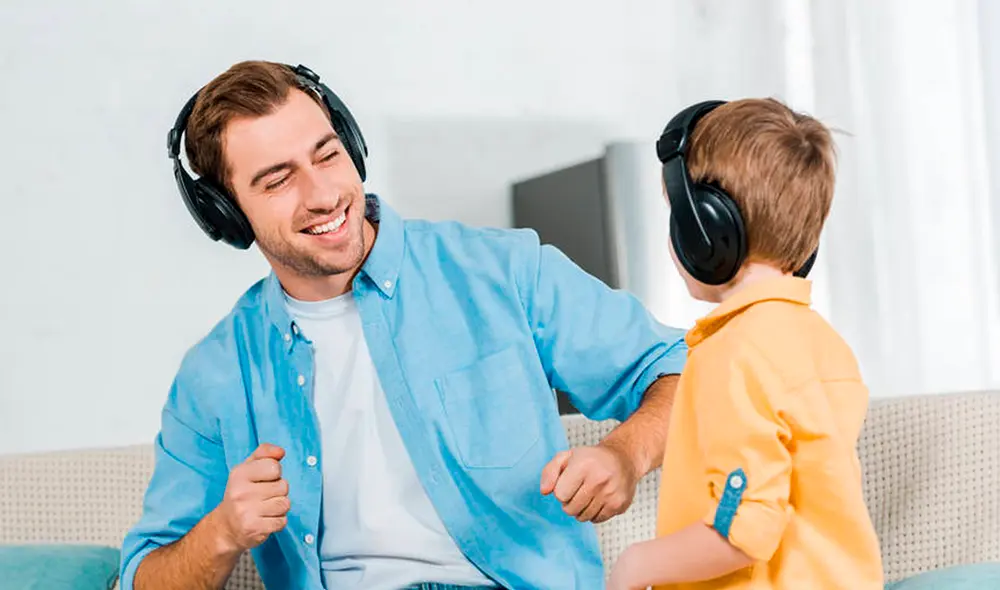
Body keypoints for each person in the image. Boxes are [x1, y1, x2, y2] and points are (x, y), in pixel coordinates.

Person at [119, 60, 689, 590]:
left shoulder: (503, 271)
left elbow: (682, 369)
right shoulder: (216, 373)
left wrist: (624, 455)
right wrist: (222, 532)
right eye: (278, 180)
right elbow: (145, 577)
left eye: (327, 154)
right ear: (227, 214)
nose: (322, 194)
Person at [607, 99, 883, 589]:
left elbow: (745, 531)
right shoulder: (823, 342)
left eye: (679, 217)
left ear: (705, 232)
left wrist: (638, 564)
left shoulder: (732, 354)